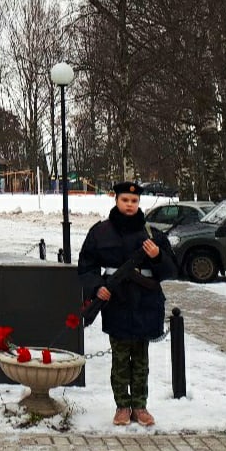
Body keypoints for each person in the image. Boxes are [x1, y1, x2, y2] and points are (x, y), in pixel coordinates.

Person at [77, 181, 177, 427]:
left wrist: (157, 256)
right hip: (117, 299)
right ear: (116, 200)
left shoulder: (153, 234)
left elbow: (171, 270)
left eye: (134, 201)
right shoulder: (100, 232)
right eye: (125, 200)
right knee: (120, 357)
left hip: (146, 301)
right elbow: (86, 265)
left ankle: (140, 406)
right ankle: (122, 406)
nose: (130, 205)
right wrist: (96, 287)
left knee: (141, 358)